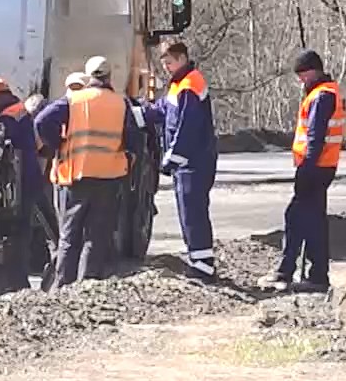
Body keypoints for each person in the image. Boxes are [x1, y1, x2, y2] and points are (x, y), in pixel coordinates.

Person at [35, 65, 132, 287]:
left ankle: (62, 287)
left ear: (90, 77)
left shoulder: (75, 101)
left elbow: (41, 121)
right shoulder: (120, 103)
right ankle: (86, 286)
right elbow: (132, 138)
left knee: (69, 235)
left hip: (77, 176)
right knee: (95, 237)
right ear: (109, 76)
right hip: (109, 176)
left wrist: (58, 144)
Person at [146, 39, 218, 280]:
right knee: (189, 212)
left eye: (168, 62)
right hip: (189, 162)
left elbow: (187, 126)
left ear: (181, 59)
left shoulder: (189, 84)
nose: (166, 67)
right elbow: (164, 111)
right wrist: (138, 111)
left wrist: (172, 157)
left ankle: (203, 264)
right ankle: (199, 260)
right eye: (164, 62)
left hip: (194, 161)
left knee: (193, 212)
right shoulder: (179, 85)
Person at [275, 50, 346, 292]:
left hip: (314, 167)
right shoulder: (325, 92)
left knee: (296, 217)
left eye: (303, 74)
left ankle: (287, 271)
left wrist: (306, 167)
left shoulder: (321, 96)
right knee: (313, 223)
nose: (300, 80)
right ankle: (316, 275)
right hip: (323, 166)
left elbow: (315, 136)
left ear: (313, 70)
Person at [0, 76, 54, 291]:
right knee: (41, 228)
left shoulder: (9, 116)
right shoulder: (18, 109)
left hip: (21, 183)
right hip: (29, 179)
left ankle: (19, 283)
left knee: (20, 234)